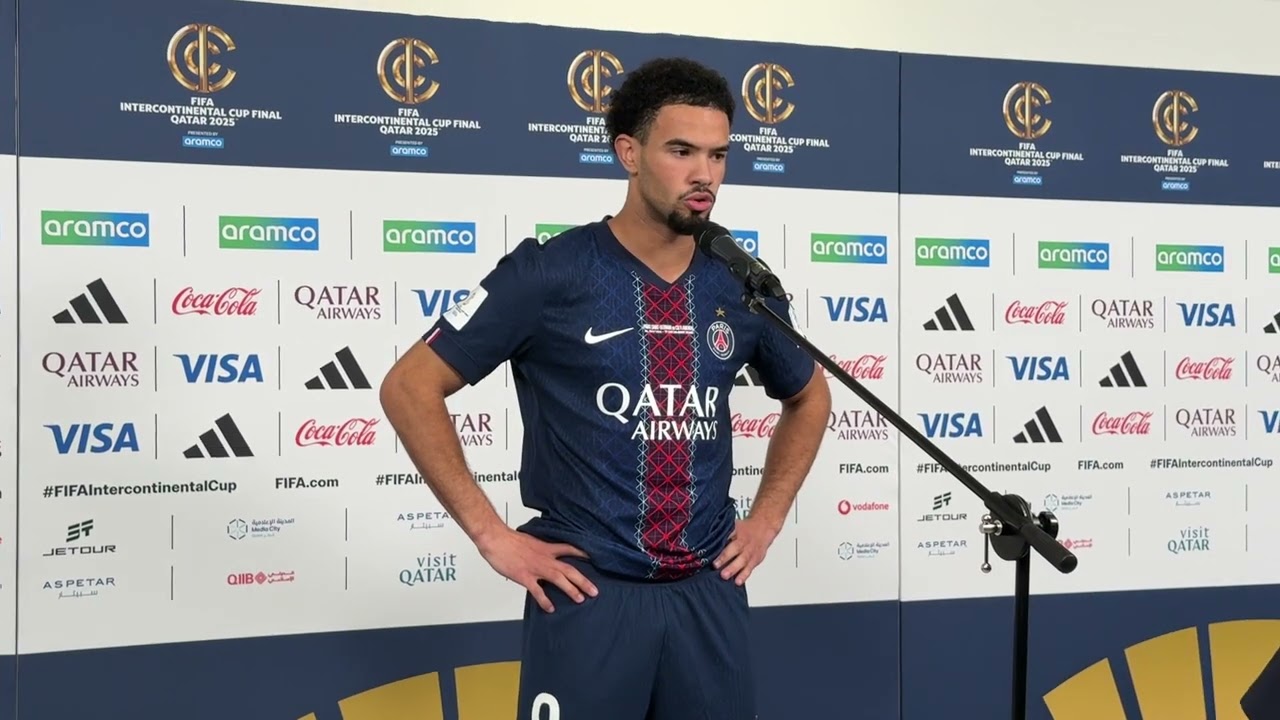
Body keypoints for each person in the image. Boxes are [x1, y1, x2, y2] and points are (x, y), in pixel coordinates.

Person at [380, 56, 832, 720]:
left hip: (707, 593)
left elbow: (810, 395)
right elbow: (409, 386)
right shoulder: (549, 273)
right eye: (681, 150)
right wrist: (490, 534)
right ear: (629, 152)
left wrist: (766, 520)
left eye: (717, 154)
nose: (703, 174)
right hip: (591, 594)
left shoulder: (740, 284)